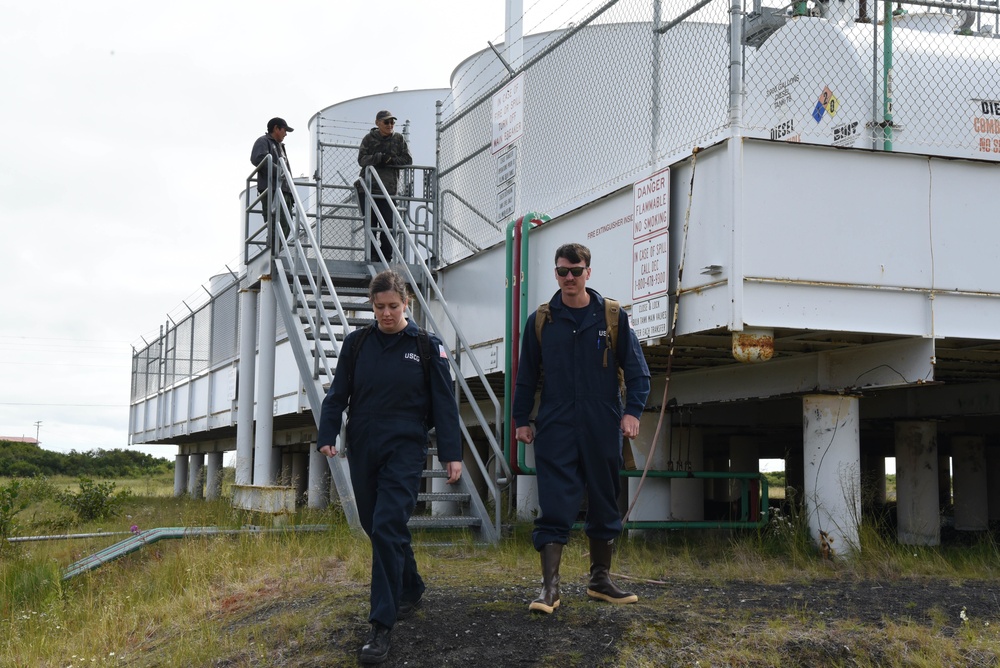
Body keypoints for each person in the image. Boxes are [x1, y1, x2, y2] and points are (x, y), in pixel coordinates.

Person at [317, 270, 463, 664]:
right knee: (376, 525)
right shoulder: (357, 344)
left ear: (407, 304)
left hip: (406, 445)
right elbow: (336, 396)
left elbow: (446, 405)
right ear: (372, 305)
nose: (386, 314)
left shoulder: (426, 346)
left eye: (393, 307)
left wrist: (453, 453)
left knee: (386, 525)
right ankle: (411, 585)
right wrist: (327, 433)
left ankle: (381, 626)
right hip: (363, 443)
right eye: (379, 307)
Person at [512, 243, 651, 614]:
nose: (569, 278)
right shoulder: (542, 320)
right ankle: (549, 589)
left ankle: (600, 580)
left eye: (575, 270)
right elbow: (525, 377)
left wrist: (632, 413)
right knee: (555, 501)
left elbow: (638, 373)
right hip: (556, 423)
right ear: (556, 274)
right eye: (562, 272)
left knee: (605, 498)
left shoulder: (612, 317)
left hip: (602, 421)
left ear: (588, 271)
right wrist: (520, 420)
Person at [356, 110, 413, 262]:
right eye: (386, 122)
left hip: (388, 190)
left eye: (392, 122)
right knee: (370, 225)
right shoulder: (369, 139)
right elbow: (362, 160)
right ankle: (373, 257)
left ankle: (385, 256)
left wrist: (391, 160)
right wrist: (378, 158)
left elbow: (407, 160)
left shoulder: (398, 139)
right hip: (368, 189)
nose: (390, 125)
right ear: (378, 123)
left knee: (390, 226)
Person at [250, 117, 294, 239]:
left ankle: (276, 252)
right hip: (273, 189)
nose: (286, 134)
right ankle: (273, 254)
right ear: (276, 128)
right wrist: (278, 171)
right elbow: (257, 158)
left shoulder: (280, 146)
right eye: (284, 130)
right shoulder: (263, 141)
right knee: (278, 223)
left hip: (285, 190)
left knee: (287, 225)